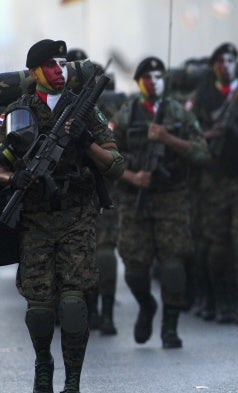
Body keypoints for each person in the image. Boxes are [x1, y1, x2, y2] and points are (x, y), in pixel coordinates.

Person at [0, 39, 124, 393]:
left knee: (72, 305)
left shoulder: (84, 110)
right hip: (35, 219)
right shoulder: (18, 111)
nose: (60, 72)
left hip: (76, 217)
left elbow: (116, 166)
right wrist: (15, 177)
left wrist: (88, 145)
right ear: (35, 71)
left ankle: (72, 380)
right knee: (39, 309)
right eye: (51, 65)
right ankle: (43, 363)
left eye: (63, 65)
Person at [110, 56, 209, 349]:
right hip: (134, 201)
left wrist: (169, 139)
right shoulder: (126, 114)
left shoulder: (178, 112)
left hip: (171, 197)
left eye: (158, 76)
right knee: (134, 268)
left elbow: (202, 153)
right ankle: (147, 305)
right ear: (139, 82)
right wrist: (132, 176)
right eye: (147, 77)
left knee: (173, 263)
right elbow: (107, 158)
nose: (154, 81)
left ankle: (170, 327)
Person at [187, 42, 238, 324]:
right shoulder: (203, 96)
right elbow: (187, 133)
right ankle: (221, 300)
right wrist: (210, 134)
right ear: (213, 66)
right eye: (220, 60)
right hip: (213, 180)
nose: (226, 64)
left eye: (231, 59)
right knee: (217, 245)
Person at [66, 47, 122, 335]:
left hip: (99, 191)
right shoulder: (57, 107)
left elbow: (115, 156)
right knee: (81, 259)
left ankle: (105, 311)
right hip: (68, 198)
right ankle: (90, 309)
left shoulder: (100, 111)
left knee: (102, 253)